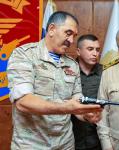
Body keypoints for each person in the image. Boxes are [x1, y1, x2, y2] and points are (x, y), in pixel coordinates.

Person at [7, 11, 102, 149]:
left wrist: (86, 113)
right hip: (31, 145)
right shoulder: (24, 55)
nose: (71, 40)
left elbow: (76, 100)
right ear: (51, 29)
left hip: (65, 144)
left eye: (74, 36)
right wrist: (66, 107)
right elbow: (23, 102)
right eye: (68, 33)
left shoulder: (72, 65)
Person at [71, 34, 103, 150]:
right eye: (90, 49)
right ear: (78, 51)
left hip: (98, 140)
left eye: (97, 50)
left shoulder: (106, 73)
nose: (95, 53)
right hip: (71, 140)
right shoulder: (66, 72)